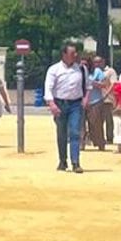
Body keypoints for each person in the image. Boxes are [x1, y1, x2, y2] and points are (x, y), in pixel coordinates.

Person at [44, 42, 88, 173]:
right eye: (72, 53)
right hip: (60, 104)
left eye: (75, 53)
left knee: (75, 132)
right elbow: (48, 88)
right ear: (64, 54)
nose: (75, 55)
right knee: (62, 133)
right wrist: (51, 104)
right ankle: (63, 161)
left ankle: (76, 162)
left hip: (76, 104)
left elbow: (88, 85)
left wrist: (86, 99)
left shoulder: (81, 69)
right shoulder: (54, 69)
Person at [86, 54, 116, 151]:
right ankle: (82, 142)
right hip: (82, 100)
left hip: (97, 100)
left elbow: (107, 84)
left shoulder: (100, 72)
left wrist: (95, 84)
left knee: (97, 123)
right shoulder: (80, 71)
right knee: (82, 124)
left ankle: (101, 142)